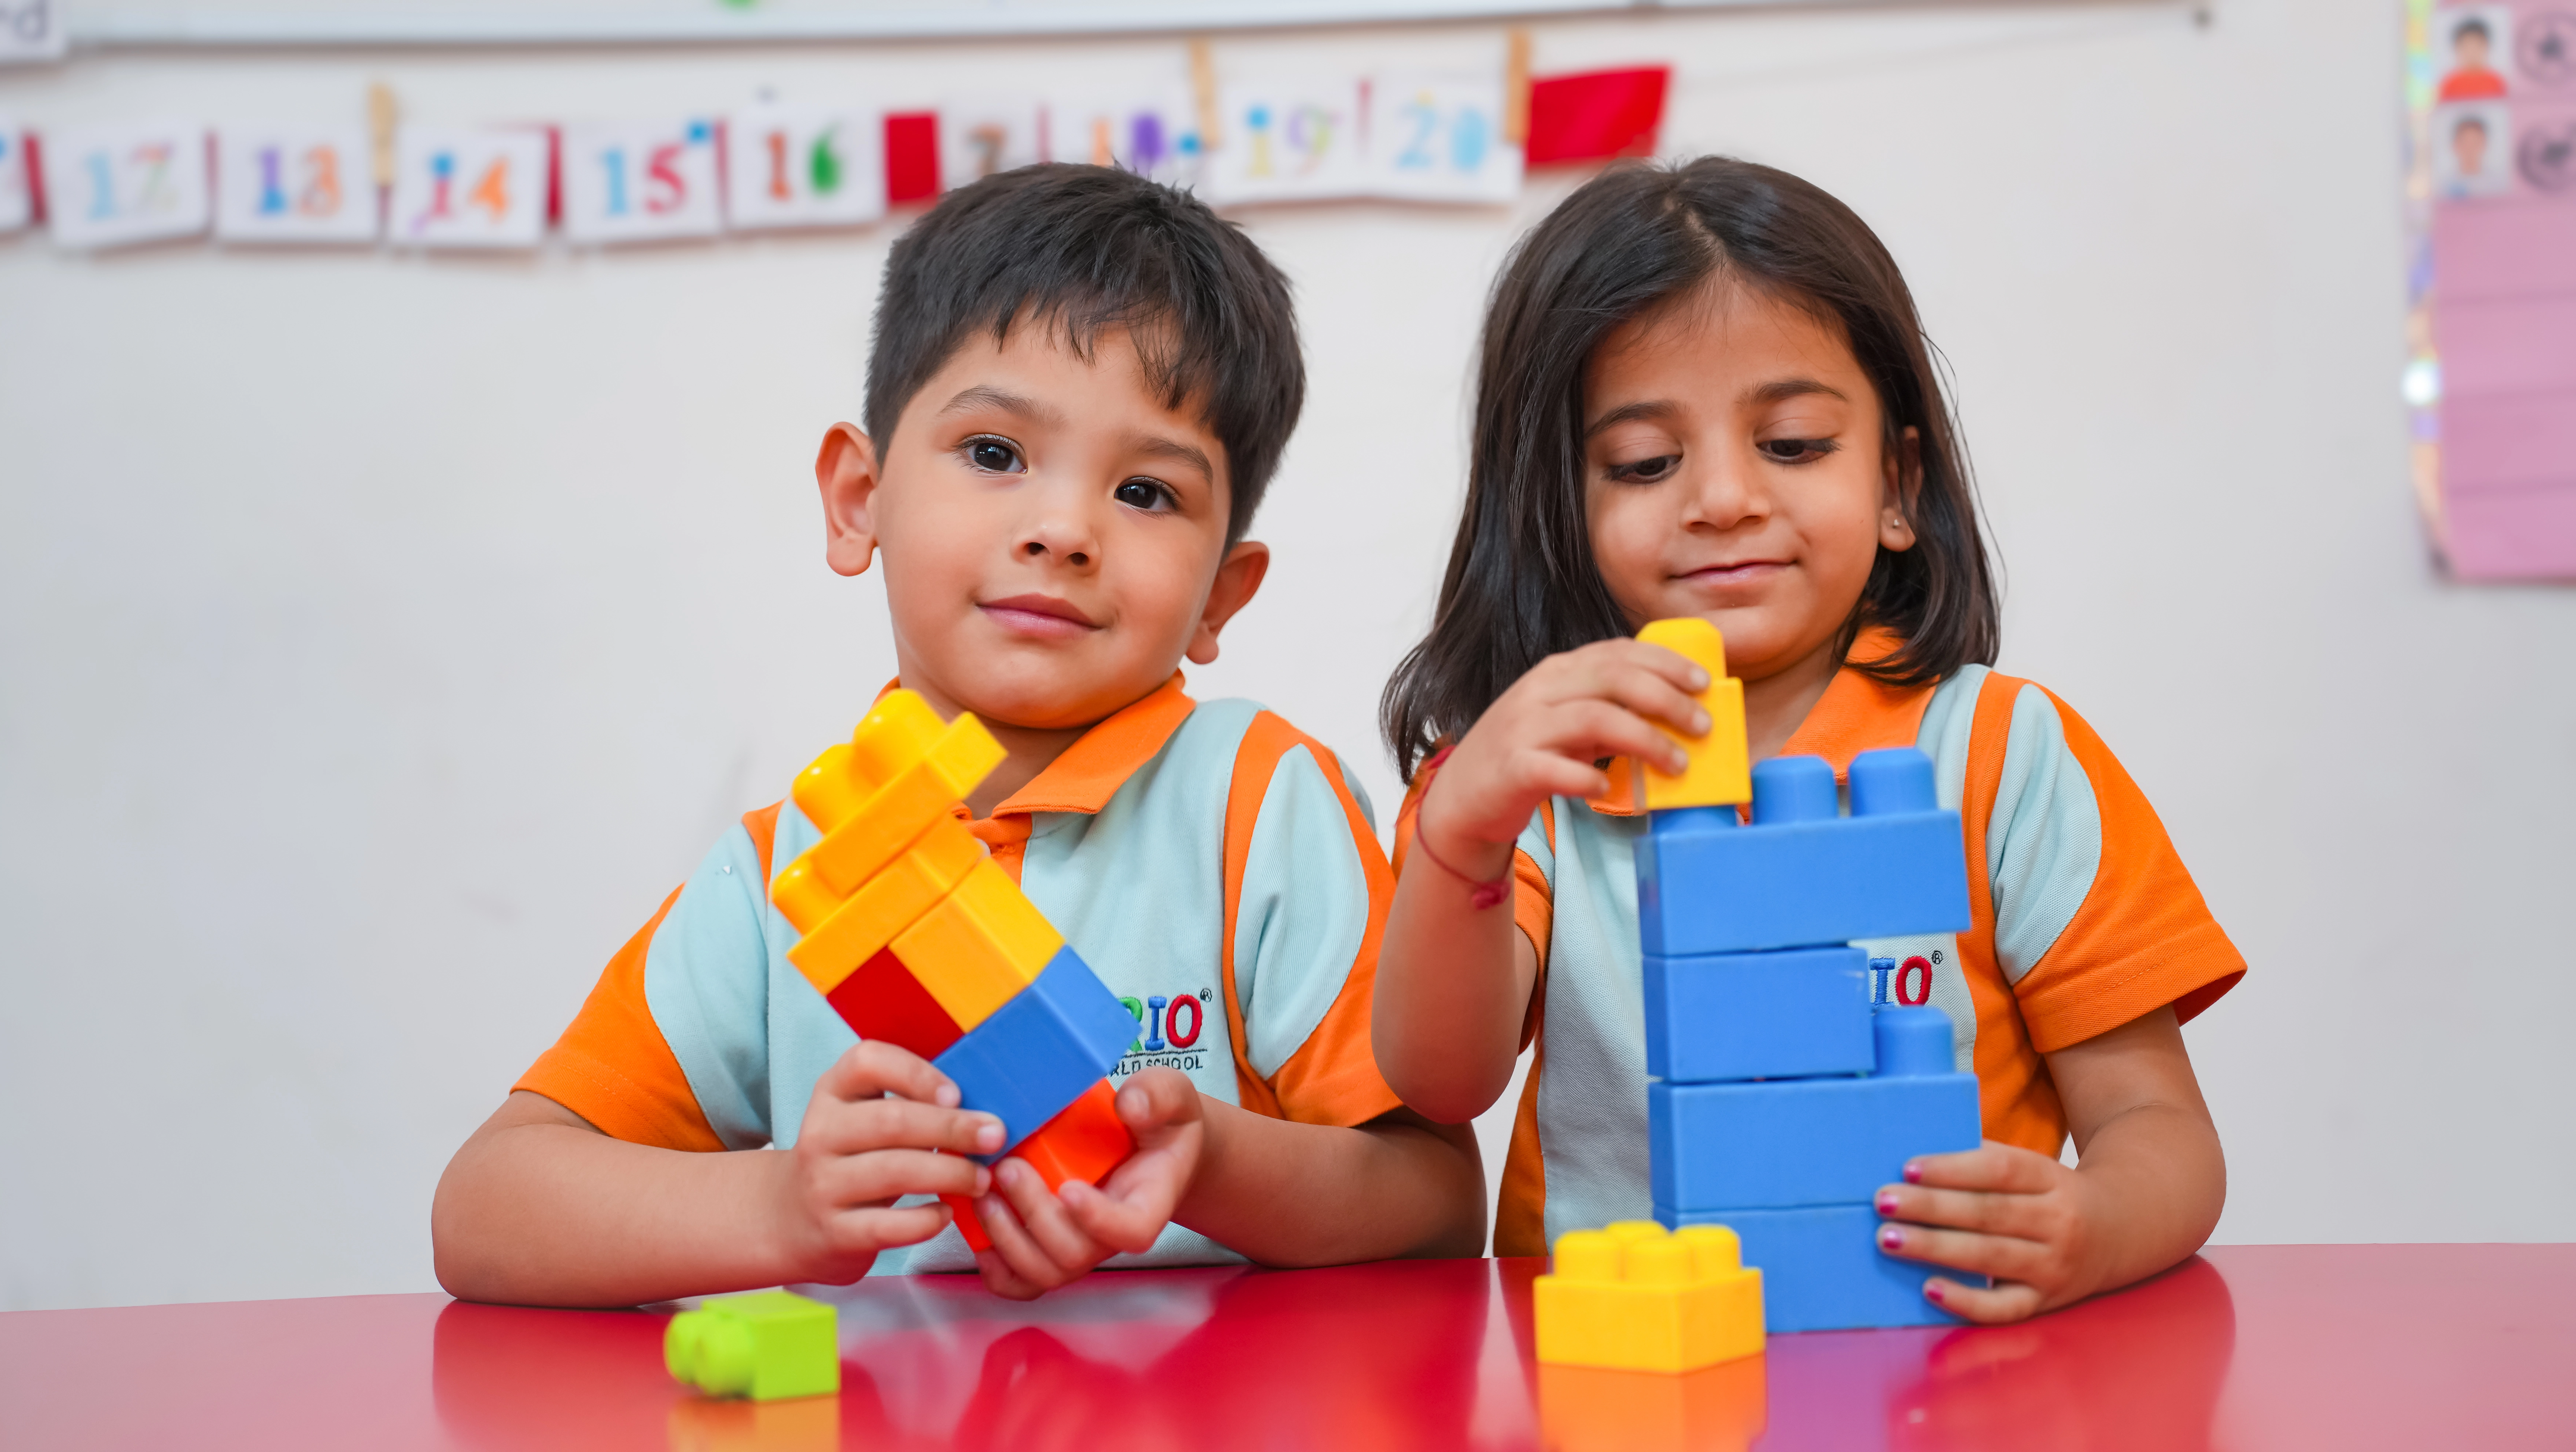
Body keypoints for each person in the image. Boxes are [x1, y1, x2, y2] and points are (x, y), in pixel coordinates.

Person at [433, 164, 1483, 1308]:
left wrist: (1212, 1164)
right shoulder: (784, 868)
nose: (1062, 529)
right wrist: (781, 1210)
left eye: (1144, 493)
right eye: (993, 454)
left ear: (1221, 597)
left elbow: (1434, 1202)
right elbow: (486, 1208)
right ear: (858, 497)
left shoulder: (1257, 805)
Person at [1372, 158, 2242, 1325]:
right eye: (1642, 463)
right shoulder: (1522, 778)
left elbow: (2161, 1133)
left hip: (1941, 1366)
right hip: (1612, 1374)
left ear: (1897, 484)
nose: (1723, 497)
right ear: (1558, 514)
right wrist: (1461, 830)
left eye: (1789, 444)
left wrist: (2085, 1228)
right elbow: (1441, 1081)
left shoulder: (1999, 751)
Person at [2438, 16, 2509, 102]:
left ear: (2486, 46)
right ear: (2458, 48)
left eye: (2477, 45)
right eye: (2467, 46)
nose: (2472, 51)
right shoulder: (2450, 84)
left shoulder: (2496, 82)